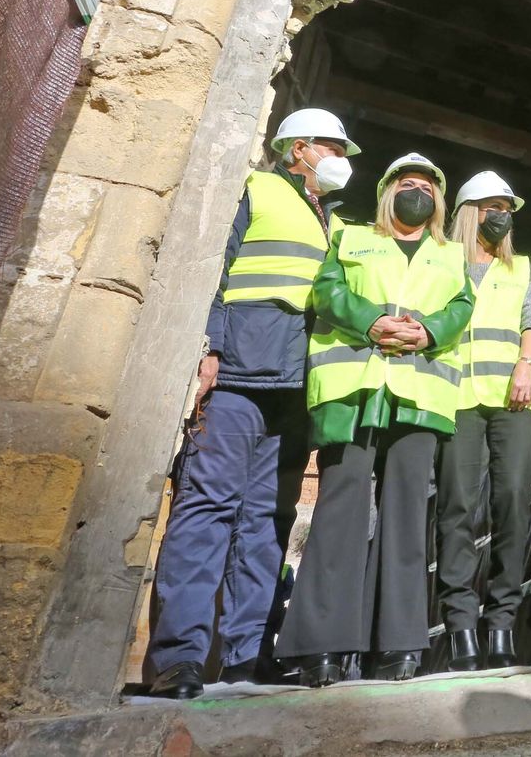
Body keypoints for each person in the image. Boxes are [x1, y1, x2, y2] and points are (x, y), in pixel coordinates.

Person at [146, 107, 359, 700]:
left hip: (294, 386)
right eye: (331, 146)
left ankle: (246, 656)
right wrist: (207, 345)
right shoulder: (257, 188)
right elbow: (213, 264)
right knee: (207, 507)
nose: (341, 160)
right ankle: (178, 660)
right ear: (297, 149)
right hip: (239, 371)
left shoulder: (335, 224)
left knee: (267, 520)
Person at [275, 153, 474, 687]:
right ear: (387, 193)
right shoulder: (351, 238)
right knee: (339, 510)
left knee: (408, 514)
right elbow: (327, 291)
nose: (418, 192)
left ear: (439, 202)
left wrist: (428, 331)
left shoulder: (450, 254)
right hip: (352, 388)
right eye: (407, 183)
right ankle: (322, 646)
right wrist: (372, 322)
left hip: (418, 393)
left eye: (428, 187)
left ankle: (400, 644)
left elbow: (461, 307)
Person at [438, 171, 531, 672]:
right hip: (456, 397)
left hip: (514, 400)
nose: (502, 215)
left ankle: (501, 623)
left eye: (508, 207)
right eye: (493, 205)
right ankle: (460, 625)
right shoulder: (441, 261)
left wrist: (527, 365)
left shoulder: (519, 267)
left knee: (513, 506)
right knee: (457, 506)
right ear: (468, 211)